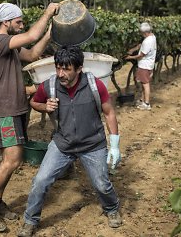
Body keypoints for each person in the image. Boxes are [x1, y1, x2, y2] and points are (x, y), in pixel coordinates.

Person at [17, 46, 122, 237]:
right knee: (40, 181)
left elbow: (109, 113)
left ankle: (112, 208)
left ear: (79, 68)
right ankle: (30, 220)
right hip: (62, 144)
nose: (61, 73)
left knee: (101, 184)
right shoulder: (49, 85)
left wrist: (114, 144)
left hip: (92, 145)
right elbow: (34, 102)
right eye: (58, 68)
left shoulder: (94, 85)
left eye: (66, 69)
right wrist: (44, 106)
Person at [0, 2, 60, 233]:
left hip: (17, 108)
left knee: (13, 159)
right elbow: (32, 34)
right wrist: (48, 12)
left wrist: (51, 32)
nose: (22, 26)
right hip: (6, 112)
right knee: (11, 160)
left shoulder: (9, 47)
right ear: (6, 22)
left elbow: (33, 53)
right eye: (19, 22)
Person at [125, 22, 157, 110]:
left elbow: (141, 55)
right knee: (144, 83)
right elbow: (141, 45)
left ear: (145, 33)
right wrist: (133, 49)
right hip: (149, 64)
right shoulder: (152, 36)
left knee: (145, 84)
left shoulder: (148, 41)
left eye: (142, 33)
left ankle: (146, 104)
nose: (141, 34)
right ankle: (142, 100)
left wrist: (130, 57)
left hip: (145, 65)